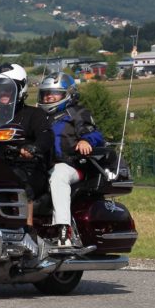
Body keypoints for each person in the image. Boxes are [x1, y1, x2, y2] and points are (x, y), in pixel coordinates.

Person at [0, 63, 53, 232]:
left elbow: (46, 136)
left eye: (7, 89)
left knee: (18, 180)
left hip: (29, 167)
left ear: (20, 88)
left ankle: (28, 231)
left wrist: (34, 148)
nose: (3, 93)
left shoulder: (35, 114)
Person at [38, 72, 105, 247]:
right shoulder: (38, 116)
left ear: (69, 94)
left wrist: (86, 140)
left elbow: (95, 134)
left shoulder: (76, 113)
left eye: (54, 93)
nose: (49, 97)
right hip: (41, 166)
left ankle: (63, 230)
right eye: (45, 93)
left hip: (72, 166)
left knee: (59, 174)